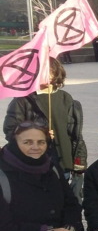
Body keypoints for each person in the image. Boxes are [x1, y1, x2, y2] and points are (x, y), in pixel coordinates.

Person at [3, 58, 87, 203]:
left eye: (50, 71)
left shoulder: (66, 98)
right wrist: (37, 133)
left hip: (64, 160)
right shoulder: (23, 100)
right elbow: (11, 130)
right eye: (42, 71)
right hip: (37, 161)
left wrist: (79, 160)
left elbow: (75, 133)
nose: (47, 75)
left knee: (65, 201)